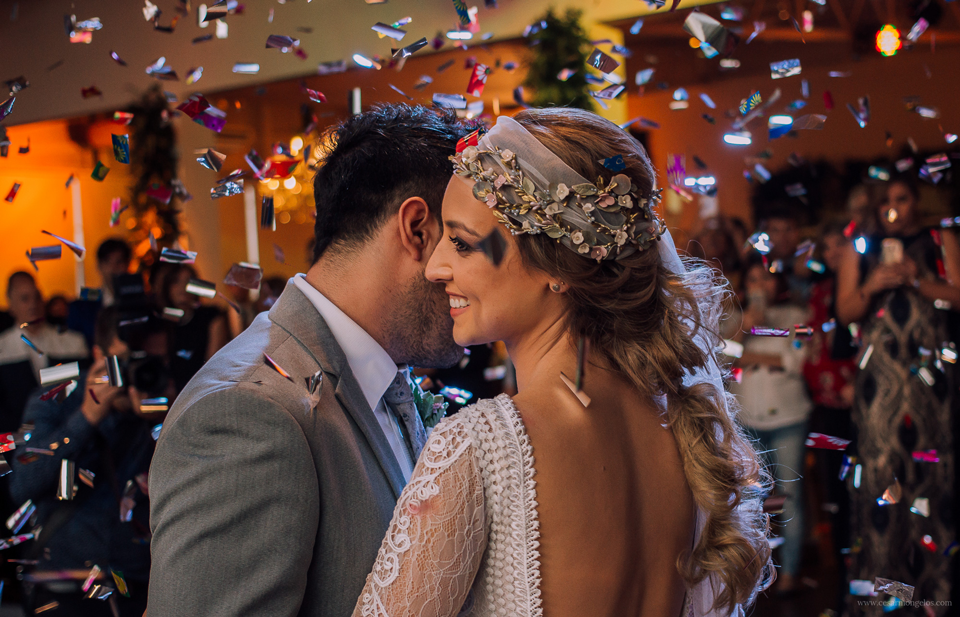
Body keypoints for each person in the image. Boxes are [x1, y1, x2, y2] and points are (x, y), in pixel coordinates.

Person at [351, 109, 773, 617]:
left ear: (556, 266)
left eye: (462, 243)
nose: (436, 267)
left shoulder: (484, 449)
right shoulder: (681, 431)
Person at [147, 104, 474, 616]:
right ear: (416, 230)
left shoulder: (383, 375)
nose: (475, 277)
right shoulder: (249, 416)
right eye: (465, 243)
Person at [836, 174, 960, 610]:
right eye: (886, 201)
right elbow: (845, 308)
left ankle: (935, 594)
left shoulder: (938, 238)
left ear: (916, 200)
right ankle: (883, 594)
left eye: (902, 199)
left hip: (931, 375)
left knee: (932, 474)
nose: (894, 208)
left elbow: (958, 294)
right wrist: (875, 285)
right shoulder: (861, 247)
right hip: (880, 378)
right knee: (883, 471)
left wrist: (916, 281)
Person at [10, 306, 170, 616]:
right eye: (128, 362)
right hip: (65, 586)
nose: (142, 372)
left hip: (141, 588)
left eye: (153, 362)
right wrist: (87, 418)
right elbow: (22, 484)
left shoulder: (169, 405)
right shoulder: (57, 392)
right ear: (99, 355)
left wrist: (165, 421)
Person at [725, 259, 811, 596]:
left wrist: (752, 357)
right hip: (748, 420)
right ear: (745, 288)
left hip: (789, 418)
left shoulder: (797, 317)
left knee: (789, 496)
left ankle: (790, 572)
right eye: (754, 280)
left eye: (766, 279)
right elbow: (720, 358)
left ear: (777, 283)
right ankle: (759, 573)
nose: (761, 286)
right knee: (755, 499)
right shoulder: (734, 321)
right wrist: (745, 331)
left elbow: (797, 361)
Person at [801, 220, 858, 610]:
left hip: (862, 409)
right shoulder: (820, 293)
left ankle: (870, 581)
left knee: (863, 492)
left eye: (840, 243)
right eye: (828, 245)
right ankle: (841, 584)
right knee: (834, 496)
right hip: (826, 410)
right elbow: (810, 345)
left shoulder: (866, 294)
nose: (833, 251)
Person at [0, 272, 88, 433]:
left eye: (37, 297)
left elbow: (81, 392)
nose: (33, 304)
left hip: (70, 434)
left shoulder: (73, 342)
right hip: (18, 442)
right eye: (25, 299)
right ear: (11, 304)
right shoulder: (3, 349)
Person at [154, 264, 229, 391]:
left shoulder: (211, 316)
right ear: (167, 287)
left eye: (189, 282)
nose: (183, 287)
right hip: (168, 392)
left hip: (202, 390)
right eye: (176, 281)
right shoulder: (159, 323)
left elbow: (213, 366)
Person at [67, 238, 132, 348]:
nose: (113, 268)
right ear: (99, 266)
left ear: (128, 264)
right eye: (107, 262)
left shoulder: (139, 300)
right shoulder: (82, 305)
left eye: (119, 262)